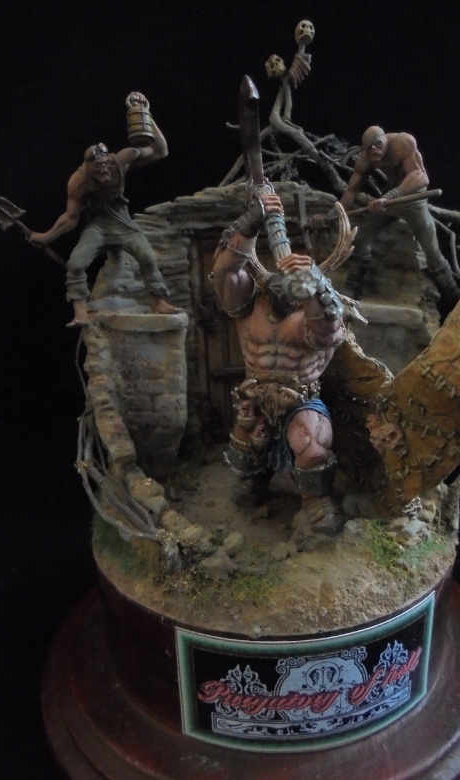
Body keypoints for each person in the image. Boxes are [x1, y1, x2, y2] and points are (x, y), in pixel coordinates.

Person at [212, 189, 349, 539]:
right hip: (256, 393)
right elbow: (225, 272)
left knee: (308, 439)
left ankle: (316, 499)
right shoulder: (249, 305)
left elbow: (328, 331)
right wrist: (253, 218)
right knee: (245, 441)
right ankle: (255, 482)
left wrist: (314, 282)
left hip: (299, 398)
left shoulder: (312, 309)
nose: (281, 293)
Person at [28, 92, 178, 326]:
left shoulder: (123, 159)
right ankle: (81, 312)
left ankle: (158, 301)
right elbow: (70, 218)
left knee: (147, 257)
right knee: (76, 264)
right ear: (89, 167)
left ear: (110, 159)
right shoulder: (78, 182)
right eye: (98, 168)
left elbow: (161, 151)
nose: (105, 171)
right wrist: (46, 236)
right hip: (97, 226)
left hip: (123, 222)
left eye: (106, 165)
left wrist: (146, 114)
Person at [313, 126, 460, 304]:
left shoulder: (403, 143)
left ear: (384, 139)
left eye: (378, 145)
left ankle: (451, 291)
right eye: (369, 148)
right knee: (361, 238)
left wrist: (389, 196)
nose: (375, 150)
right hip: (389, 202)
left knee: (431, 249)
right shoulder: (366, 159)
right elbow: (351, 192)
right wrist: (330, 215)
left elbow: (420, 176)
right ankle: (353, 286)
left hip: (413, 200)